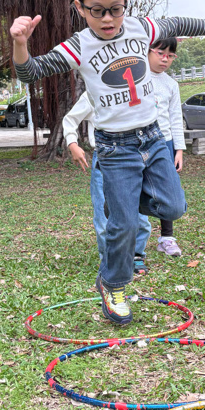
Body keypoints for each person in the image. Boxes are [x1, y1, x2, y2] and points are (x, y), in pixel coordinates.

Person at [10, 0, 205, 324]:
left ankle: (123, 204)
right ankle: (113, 284)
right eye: (96, 10)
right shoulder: (78, 46)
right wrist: (21, 43)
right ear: (80, 8)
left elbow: (180, 22)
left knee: (174, 208)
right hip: (115, 149)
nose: (107, 19)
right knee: (125, 225)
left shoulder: (140, 28)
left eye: (115, 9)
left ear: (126, 3)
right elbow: (30, 72)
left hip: (152, 139)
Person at [63, 90, 152, 275]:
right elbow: (70, 119)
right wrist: (72, 144)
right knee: (102, 213)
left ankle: (136, 255)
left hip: (135, 156)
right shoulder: (93, 93)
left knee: (139, 212)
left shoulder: (135, 89)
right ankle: (109, 260)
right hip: (105, 158)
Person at [148, 38, 186, 257]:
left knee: (168, 189)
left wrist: (178, 150)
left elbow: (175, 118)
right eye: (161, 53)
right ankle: (134, 235)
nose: (165, 59)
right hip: (139, 141)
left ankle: (167, 238)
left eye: (170, 55)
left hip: (165, 143)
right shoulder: (137, 76)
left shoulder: (171, 84)